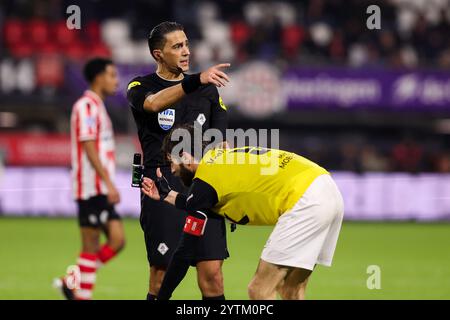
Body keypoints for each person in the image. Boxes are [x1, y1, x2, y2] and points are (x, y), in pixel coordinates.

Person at [141, 124, 345, 300]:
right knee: (291, 289)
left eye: (172, 162)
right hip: (326, 186)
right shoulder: (219, 157)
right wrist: (167, 195)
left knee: (259, 291)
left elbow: (184, 253)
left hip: (305, 200)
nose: (172, 170)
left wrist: (163, 296)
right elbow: (202, 202)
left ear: (185, 156)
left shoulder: (205, 181)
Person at [126, 21, 230, 300]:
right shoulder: (140, 85)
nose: (186, 51)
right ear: (158, 54)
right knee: (161, 273)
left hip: (202, 185)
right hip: (160, 186)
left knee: (212, 275)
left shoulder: (208, 90)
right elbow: (153, 104)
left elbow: (220, 142)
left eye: (186, 44)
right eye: (177, 46)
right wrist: (196, 79)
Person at [54, 58, 125, 300]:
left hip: (100, 188)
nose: (116, 81)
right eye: (112, 75)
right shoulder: (85, 106)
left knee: (117, 240)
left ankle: (71, 280)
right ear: (98, 78)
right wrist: (108, 182)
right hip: (90, 187)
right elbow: (88, 146)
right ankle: (82, 295)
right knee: (91, 246)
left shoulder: (98, 106)